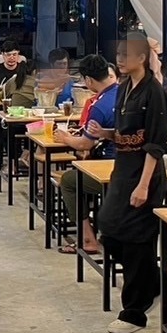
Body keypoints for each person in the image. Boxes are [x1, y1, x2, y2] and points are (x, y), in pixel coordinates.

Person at [87, 33, 167, 333]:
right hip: (122, 172)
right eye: (118, 54)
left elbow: (155, 143)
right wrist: (105, 133)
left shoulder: (154, 91)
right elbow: (124, 131)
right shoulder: (123, 88)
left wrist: (144, 185)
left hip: (145, 175)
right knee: (108, 229)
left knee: (137, 242)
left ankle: (134, 312)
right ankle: (157, 280)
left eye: (126, 55)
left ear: (142, 58)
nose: (119, 59)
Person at [55, 54, 119, 255]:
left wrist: (66, 138)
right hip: (135, 166)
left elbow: (85, 143)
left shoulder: (99, 106)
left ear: (89, 80)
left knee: (69, 180)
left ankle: (87, 238)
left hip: (110, 169)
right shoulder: (127, 94)